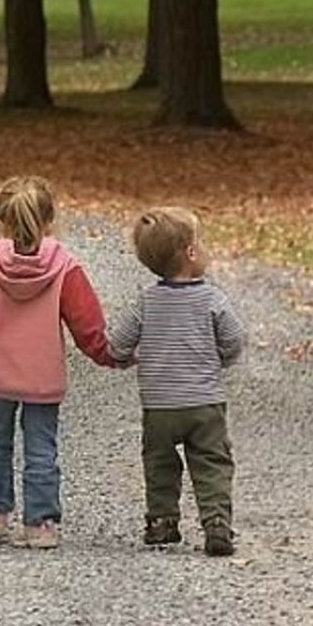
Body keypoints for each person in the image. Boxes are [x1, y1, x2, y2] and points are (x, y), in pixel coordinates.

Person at [0, 174, 115, 550]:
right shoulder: (65, 267)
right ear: (51, 220)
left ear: (2, 222)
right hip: (42, 375)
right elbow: (87, 322)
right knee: (41, 448)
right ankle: (41, 524)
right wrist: (107, 354)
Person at [108, 206, 243, 556]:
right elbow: (233, 340)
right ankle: (216, 523)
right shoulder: (212, 299)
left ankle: (162, 522)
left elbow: (118, 343)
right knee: (212, 461)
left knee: (160, 463)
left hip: (160, 407)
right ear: (192, 253)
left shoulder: (146, 302)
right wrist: (222, 360)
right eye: (202, 242)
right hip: (205, 403)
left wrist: (126, 358)